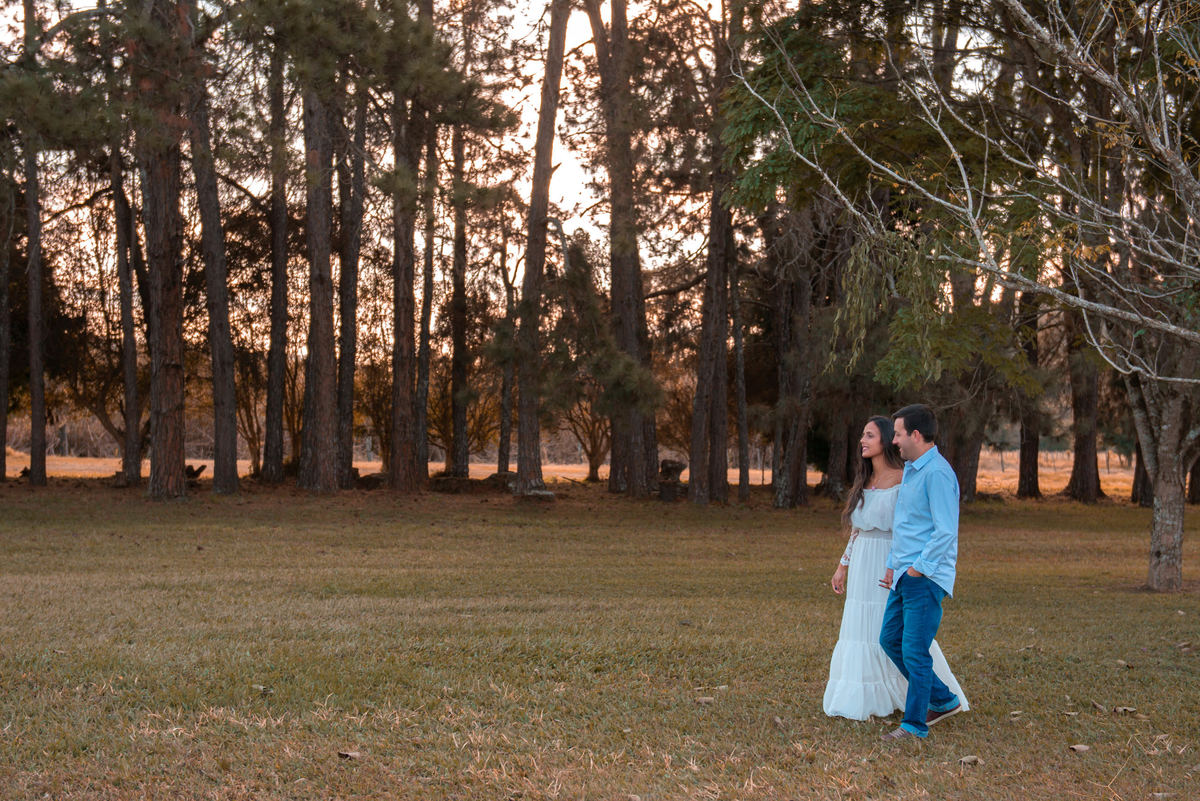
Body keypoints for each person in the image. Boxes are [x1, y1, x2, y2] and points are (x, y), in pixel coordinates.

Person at [823, 416, 968, 722]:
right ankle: (865, 694)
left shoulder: (910, 478)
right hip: (866, 561)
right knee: (872, 631)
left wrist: (910, 568)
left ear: (889, 439)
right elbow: (857, 531)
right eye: (863, 434)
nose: (862, 440)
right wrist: (842, 565)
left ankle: (923, 705)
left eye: (870, 435)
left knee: (901, 636)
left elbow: (918, 527)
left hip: (895, 561)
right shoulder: (863, 482)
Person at [879, 403, 963, 741]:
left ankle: (914, 725)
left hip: (924, 578)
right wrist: (896, 566)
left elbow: (945, 531)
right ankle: (943, 699)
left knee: (914, 650)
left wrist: (917, 569)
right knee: (889, 640)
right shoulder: (914, 469)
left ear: (915, 434)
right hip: (904, 575)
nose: (894, 441)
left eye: (898, 434)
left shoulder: (937, 473)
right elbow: (909, 526)